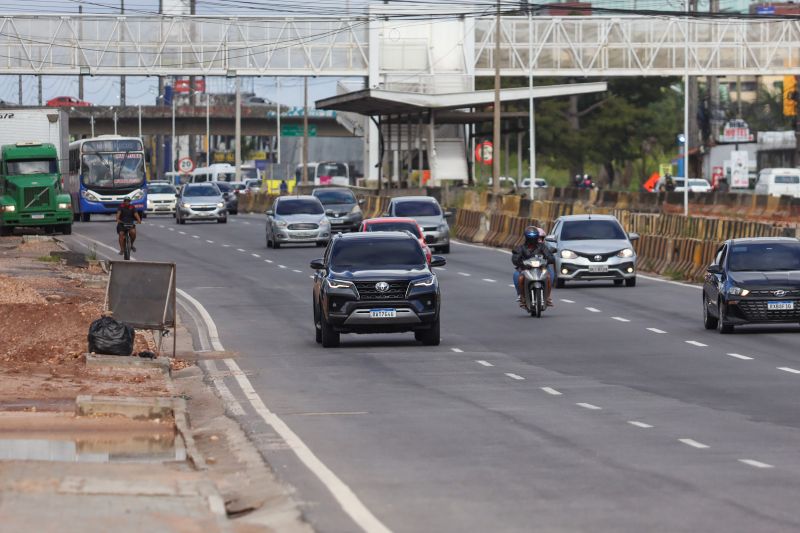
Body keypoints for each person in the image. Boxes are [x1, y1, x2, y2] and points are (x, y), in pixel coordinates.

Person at [512, 226, 556, 307]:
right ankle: (522, 297)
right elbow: (515, 258)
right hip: (526, 269)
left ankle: (548, 297)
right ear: (526, 238)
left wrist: (549, 260)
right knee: (519, 277)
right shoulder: (521, 248)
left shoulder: (542, 247)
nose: (532, 241)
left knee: (549, 276)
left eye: (535, 238)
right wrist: (521, 263)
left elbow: (550, 256)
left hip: (541, 268)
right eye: (530, 239)